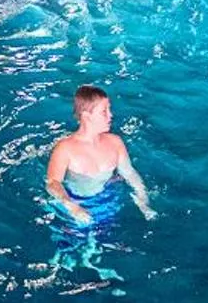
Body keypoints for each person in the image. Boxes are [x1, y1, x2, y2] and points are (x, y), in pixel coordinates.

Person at [46, 85, 155, 227]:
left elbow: (129, 172)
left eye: (109, 109)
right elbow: (53, 183)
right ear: (86, 116)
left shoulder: (115, 142)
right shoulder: (65, 149)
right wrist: (72, 207)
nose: (110, 115)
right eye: (104, 112)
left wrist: (142, 200)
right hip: (77, 203)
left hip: (108, 200)